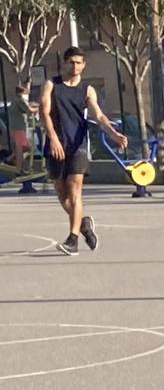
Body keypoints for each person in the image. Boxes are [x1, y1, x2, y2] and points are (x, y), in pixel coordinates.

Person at [39, 48, 126, 256]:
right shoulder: (51, 85)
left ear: (84, 65)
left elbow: (99, 115)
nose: (75, 66)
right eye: (71, 62)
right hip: (56, 146)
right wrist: (53, 139)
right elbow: (44, 112)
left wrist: (114, 134)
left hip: (78, 146)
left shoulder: (87, 90)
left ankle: (73, 239)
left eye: (79, 63)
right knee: (63, 197)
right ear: (64, 63)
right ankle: (84, 224)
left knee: (74, 190)